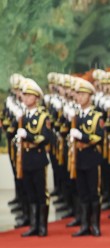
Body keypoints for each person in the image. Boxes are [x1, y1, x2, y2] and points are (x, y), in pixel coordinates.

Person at [11, 78, 55, 237]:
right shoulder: (23, 116)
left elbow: (45, 138)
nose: (25, 98)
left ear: (36, 97)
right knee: (29, 192)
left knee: (40, 192)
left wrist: (28, 136)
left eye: (29, 95)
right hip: (26, 157)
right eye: (24, 95)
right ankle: (33, 224)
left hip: (38, 157)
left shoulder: (43, 116)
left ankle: (42, 226)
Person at [67, 78, 105, 238]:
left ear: (90, 96)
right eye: (78, 94)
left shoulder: (97, 116)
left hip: (91, 156)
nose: (79, 97)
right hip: (79, 157)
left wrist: (81, 136)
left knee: (93, 192)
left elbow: (99, 137)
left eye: (83, 94)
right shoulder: (75, 115)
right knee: (82, 192)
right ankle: (84, 224)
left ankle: (95, 224)